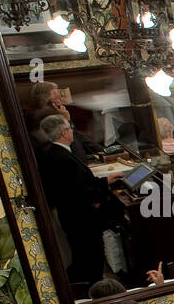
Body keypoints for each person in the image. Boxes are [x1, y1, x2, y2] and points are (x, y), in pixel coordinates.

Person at [36, 114, 115, 287]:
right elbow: (79, 190)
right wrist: (104, 184)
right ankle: (95, 289)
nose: (72, 131)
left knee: (82, 254)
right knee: (91, 255)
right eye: (70, 128)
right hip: (81, 217)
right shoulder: (63, 158)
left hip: (70, 215)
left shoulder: (53, 152)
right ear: (64, 133)